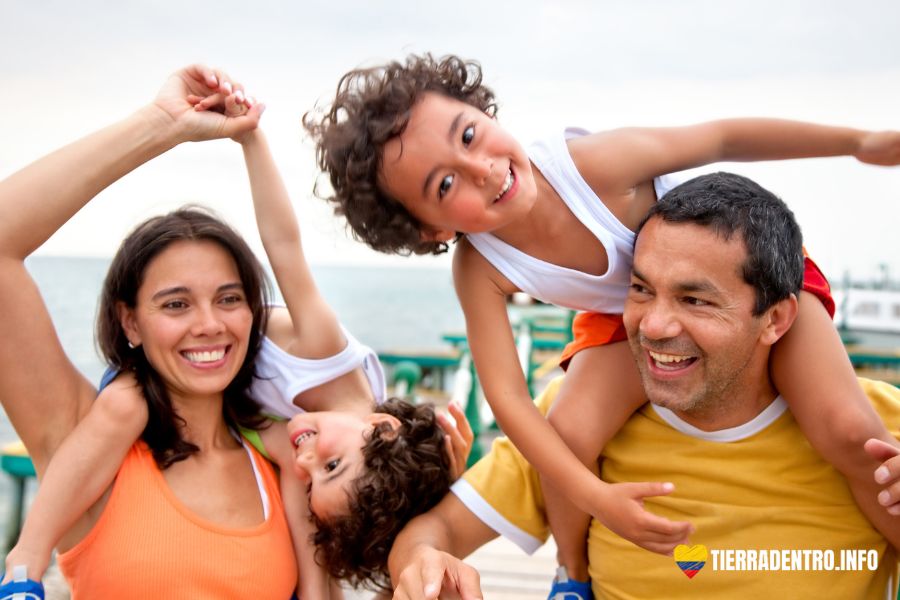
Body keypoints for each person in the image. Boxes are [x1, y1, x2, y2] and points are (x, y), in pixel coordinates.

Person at [304, 52, 900, 596]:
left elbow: (722, 136)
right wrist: (598, 500)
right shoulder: (478, 265)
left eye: (469, 134)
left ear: (484, 111)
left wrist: (857, 141)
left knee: (851, 431)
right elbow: (508, 398)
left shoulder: (592, 166)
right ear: (430, 229)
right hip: (627, 318)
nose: (481, 168)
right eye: (446, 183)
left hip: (736, 289)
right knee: (567, 435)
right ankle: (573, 574)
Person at [0, 64, 463, 599]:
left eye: (230, 299)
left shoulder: (295, 471)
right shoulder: (85, 441)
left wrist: (440, 509)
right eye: (175, 304)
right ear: (130, 321)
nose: (208, 324)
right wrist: (159, 125)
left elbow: (373, 559)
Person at [388, 172, 900, 600]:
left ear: (776, 319)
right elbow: (435, 532)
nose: (654, 326)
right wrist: (425, 564)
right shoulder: (562, 431)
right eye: (641, 290)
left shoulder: (881, 432)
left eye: (695, 300)